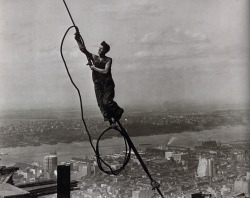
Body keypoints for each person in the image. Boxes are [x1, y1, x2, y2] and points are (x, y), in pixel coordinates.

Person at [74, 32, 124, 126]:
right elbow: (83, 49)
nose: (99, 50)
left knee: (107, 102)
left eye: (102, 49)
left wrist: (94, 68)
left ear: (105, 51)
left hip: (107, 84)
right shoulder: (94, 57)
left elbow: (106, 71)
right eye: (99, 48)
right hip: (97, 84)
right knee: (101, 104)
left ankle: (118, 111)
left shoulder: (108, 60)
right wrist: (77, 39)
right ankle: (110, 121)